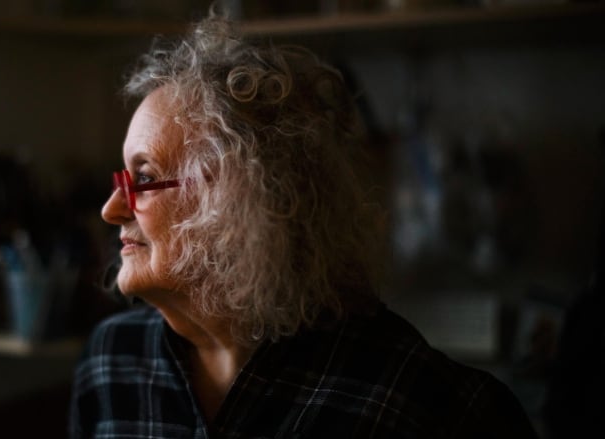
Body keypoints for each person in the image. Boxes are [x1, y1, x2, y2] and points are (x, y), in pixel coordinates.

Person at [69, 14, 538, 438]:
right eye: (122, 179)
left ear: (241, 200)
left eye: (145, 178)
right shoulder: (111, 362)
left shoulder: (425, 404)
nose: (112, 209)